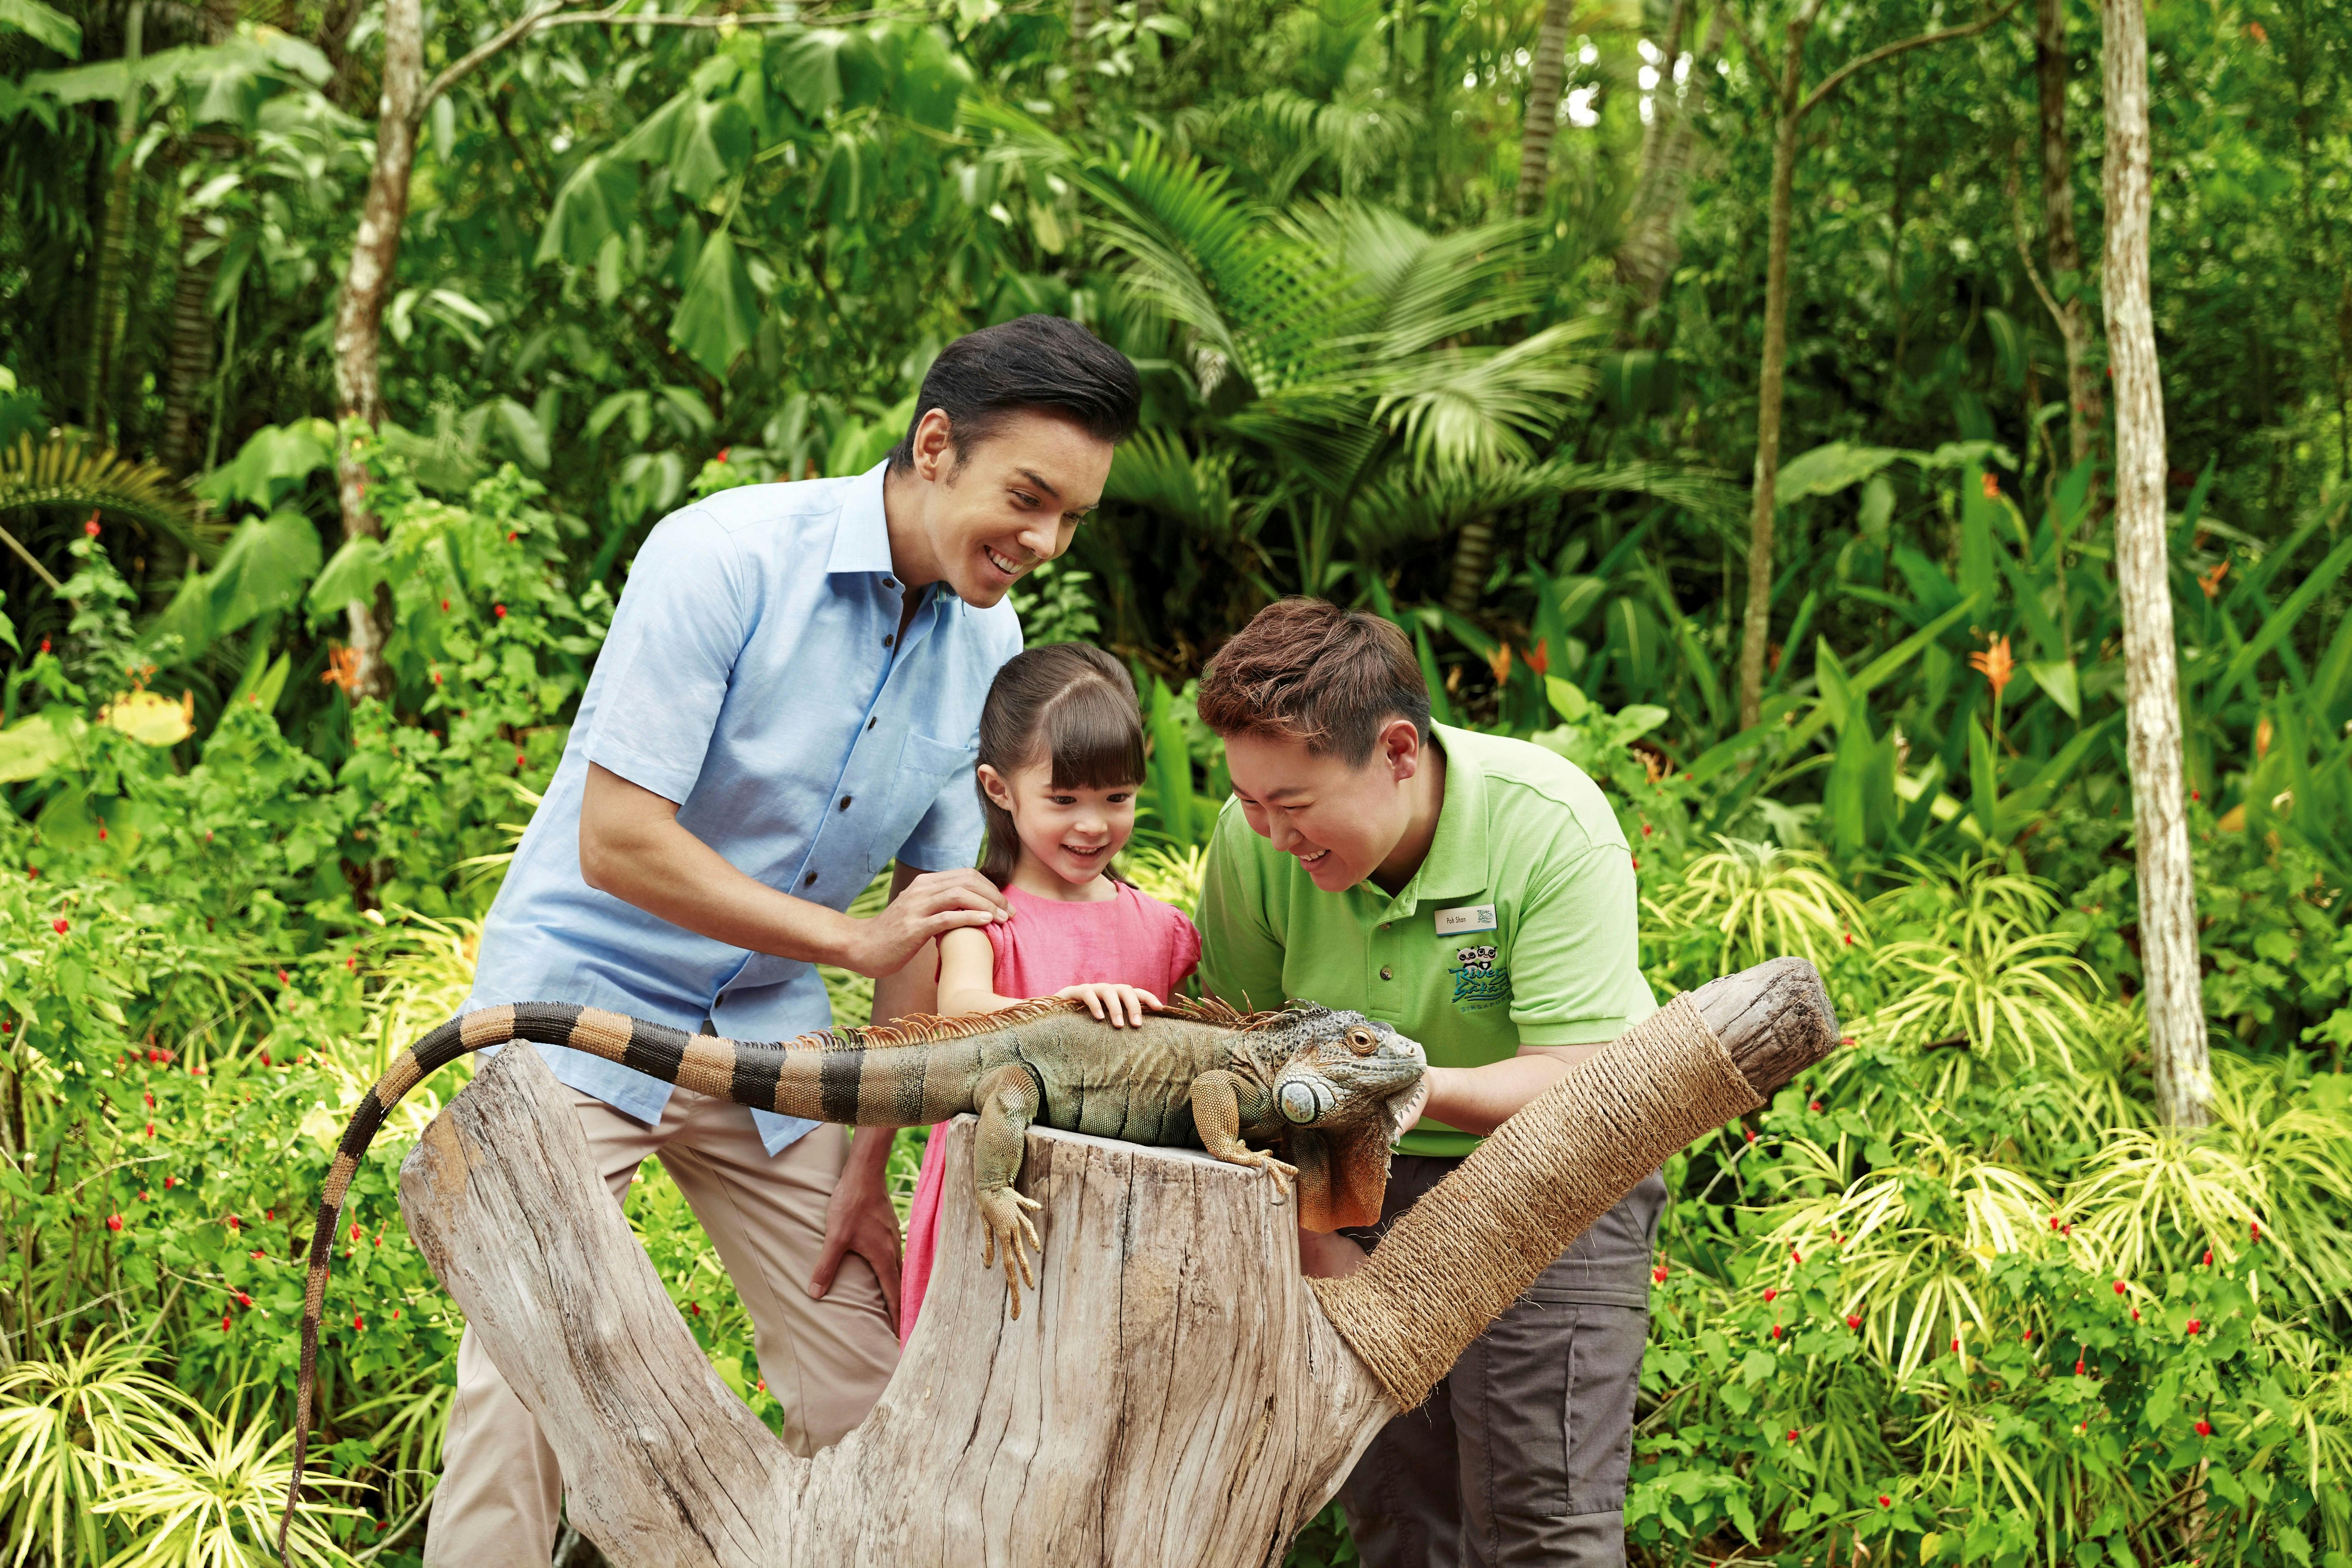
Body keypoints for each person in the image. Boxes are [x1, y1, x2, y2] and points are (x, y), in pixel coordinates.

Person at [423, 315, 1141, 1563]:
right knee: (530, 1372)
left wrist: (867, 1169)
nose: (1043, 542)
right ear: (934, 447)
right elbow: (619, 840)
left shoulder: (992, 644)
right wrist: (849, 941)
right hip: (579, 1004)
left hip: (770, 1032)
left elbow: (932, 919)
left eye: (1071, 518)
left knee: (873, 1378)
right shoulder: (724, 556)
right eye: (1028, 498)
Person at [1193, 598, 1660, 1568]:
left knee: (1545, 1520)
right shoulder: (1249, 844)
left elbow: (1583, 1082)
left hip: (1551, 1175)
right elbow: (1237, 1070)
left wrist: (1400, 1084)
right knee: (1401, 1520)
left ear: (1399, 751)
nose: (1270, 833)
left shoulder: (1547, 822)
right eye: (1250, 801)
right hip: (1348, 1181)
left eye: (1295, 805)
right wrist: (1314, 1245)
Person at [899, 643, 1201, 1339]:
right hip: (997, 1195)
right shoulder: (984, 916)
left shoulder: (1163, 930)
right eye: (1063, 800)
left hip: (1125, 1208)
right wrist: (1067, 1008)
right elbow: (963, 1010)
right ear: (999, 788)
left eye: (1116, 798)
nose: (1093, 825)